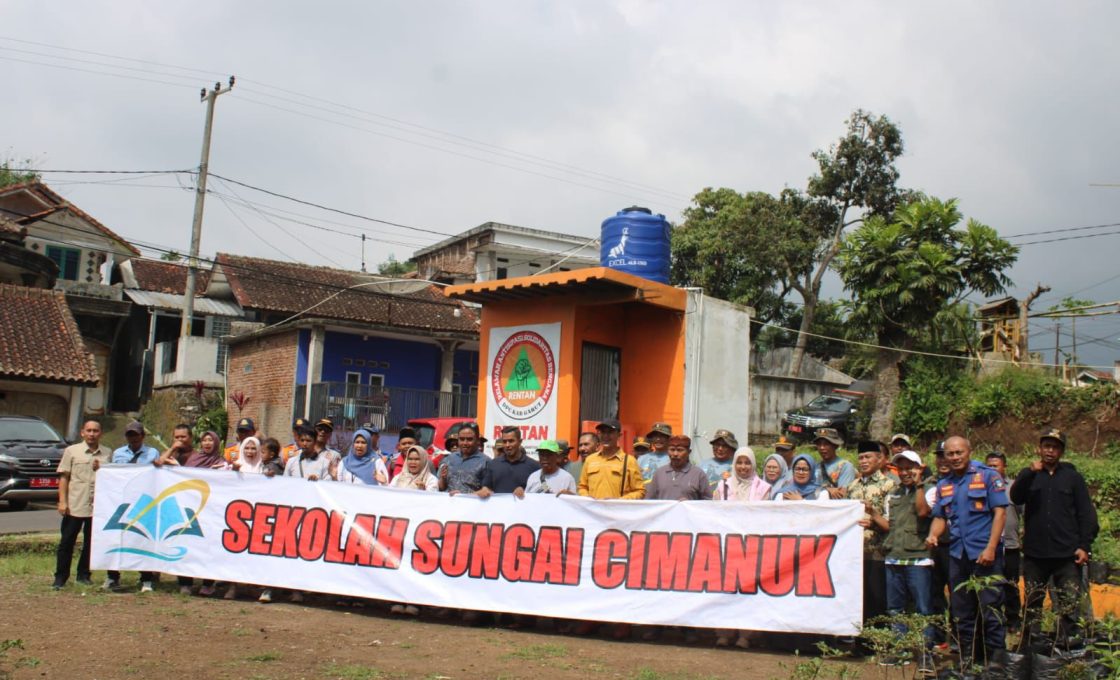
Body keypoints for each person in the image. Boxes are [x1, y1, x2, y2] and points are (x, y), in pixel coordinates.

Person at [1010, 428, 1099, 645]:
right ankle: (1030, 645)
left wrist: (1084, 546)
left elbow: (1086, 514)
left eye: (1055, 447)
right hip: (1035, 554)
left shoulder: (1072, 478)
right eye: (1046, 446)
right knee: (1032, 604)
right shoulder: (1029, 475)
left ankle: (1070, 645)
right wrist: (1029, 472)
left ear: (1061, 451)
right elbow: (1015, 496)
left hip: (1067, 554)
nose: (1050, 451)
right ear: (1039, 449)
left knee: (1069, 603)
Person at [926, 436, 1008, 668]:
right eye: (949, 454)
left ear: (969, 451)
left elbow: (1000, 513)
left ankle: (996, 660)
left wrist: (991, 548)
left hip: (985, 555)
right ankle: (968, 659)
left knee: (991, 609)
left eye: (958, 452)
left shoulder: (988, 476)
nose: (954, 457)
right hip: (958, 556)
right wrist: (933, 534)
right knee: (962, 612)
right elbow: (941, 516)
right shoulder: (944, 485)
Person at [575, 419, 644, 639]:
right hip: (594, 522)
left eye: (610, 432)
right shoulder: (590, 461)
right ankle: (592, 618)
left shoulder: (628, 461)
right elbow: (582, 487)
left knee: (619, 572)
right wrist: (592, 500)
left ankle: (621, 621)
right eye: (602, 432)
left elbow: (639, 491)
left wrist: (618, 502)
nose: (606, 436)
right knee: (592, 570)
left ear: (618, 436)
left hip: (619, 523)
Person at [882, 450, 936, 673]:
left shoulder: (931, 490)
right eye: (901, 468)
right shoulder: (892, 494)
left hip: (918, 559)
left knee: (923, 609)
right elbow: (888, 525)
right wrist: (873, 514)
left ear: (919, 468)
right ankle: (900, 650)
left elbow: (923, 511)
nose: (905, 472)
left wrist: (920, 485)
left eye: (909, 468)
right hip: (893, 556)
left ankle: (926, 655)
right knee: (895, 609)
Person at [52, 420, 111, 590]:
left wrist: (103, 468)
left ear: (101, 433)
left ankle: (84, 575)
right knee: (67, 542)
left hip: (97, 506)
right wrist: (62, 501)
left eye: (96, 431)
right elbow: (64, 477)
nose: (92, 434)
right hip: (75, 505)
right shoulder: (72, 451)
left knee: (91, 543)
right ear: (82, 433)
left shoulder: (107, 453)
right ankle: (60, 578)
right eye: (89, 430)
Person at [847, 440, 898, 628]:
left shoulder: (889, 485)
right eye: (860, 458)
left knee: (877, 598)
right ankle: (860, 643)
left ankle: (879, 643)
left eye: (868, 457)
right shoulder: (852, 486)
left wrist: (873, 520)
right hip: (855, 552)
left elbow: (893, 522)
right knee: (859, 598)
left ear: (879, 459)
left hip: (878, 551)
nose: (863, 461)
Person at [106, 420, 161, 592]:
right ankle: (112, 577)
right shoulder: (118, 453)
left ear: (142, 436)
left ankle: (146, 579)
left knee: (144, 538)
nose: (133, 438)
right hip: (121, 501)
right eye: (130, 434)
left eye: (136, 434)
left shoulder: (153, 453)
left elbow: (159, 476)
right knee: (116, 537)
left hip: (144, 501)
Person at [985, 451, 1023, 634]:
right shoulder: (981, 486)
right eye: (989, 465)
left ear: (1004, 467)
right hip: (989, 546)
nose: (992, 469)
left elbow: (1026, 512)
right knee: (991, 586)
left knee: (1011, 585)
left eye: (996, 465)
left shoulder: (1013, 488)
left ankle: (1014, 620)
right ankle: (993, 621)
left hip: (1010, 545)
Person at [477, 425, 541, 499]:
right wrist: (485, 490)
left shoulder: (534, 466)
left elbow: (539, 493)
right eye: (504, 441)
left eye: (511, 441)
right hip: (498, 509)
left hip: (524, 509)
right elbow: (487, 487)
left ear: (520, 442)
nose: (507, 445)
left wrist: (524, 491)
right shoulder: (493, 465)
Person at [644, 435, 710, 502]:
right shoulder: (659, 473)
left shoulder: (698, 474)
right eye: (672, 450)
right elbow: (649, 501)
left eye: (680, 450)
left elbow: (707, 503)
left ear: (688, 452)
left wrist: (690, 504)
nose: (675, 454)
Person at [438, 422, 487, 495]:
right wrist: (443, 479)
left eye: (469, 439)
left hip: (473, 505)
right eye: (461, 439)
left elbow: (488, 492)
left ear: (477, 440)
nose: (465, 443)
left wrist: (463, 496)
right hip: (449, 505)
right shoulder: (448, 459)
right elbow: (441, 488)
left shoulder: (485, 462)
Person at [812, 428, 856, 498]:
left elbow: (842, 495)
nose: (822, 447)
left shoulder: (845, 466)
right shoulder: (816, 466)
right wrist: (827, 490)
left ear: (835, 445)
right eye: (819, 444)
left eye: (826, 444)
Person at [700, 429, 737, 494]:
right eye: (717, 445)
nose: (720, 448)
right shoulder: (702, 465)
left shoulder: (737, 467)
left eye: (724, 446)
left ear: (732, 448)